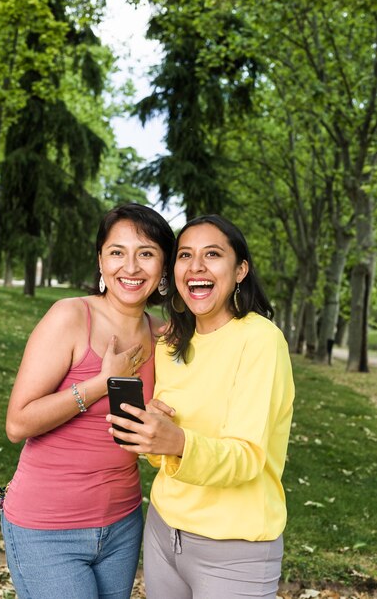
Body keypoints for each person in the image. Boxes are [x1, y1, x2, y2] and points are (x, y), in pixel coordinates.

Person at [106, 214, 295, 599]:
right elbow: (167, 457)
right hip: (163, 534)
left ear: (240, 269)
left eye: (213, 254)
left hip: (234, 549)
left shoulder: (260, 341)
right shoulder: (170, 341)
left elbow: (247, 458)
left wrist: (177, 442)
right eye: (185, 255)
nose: (196, 267)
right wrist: (153, 435)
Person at [1, 203, 175, 599]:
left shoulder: (163, 337)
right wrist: (102, 383)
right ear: (100, 260)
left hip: (123, 524)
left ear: (163, 268)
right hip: (46, 528)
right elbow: (17, 424)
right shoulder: (70, 317)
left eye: (145, 253)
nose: (130, 267)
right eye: (117, 252)